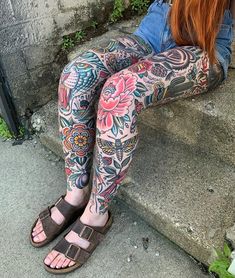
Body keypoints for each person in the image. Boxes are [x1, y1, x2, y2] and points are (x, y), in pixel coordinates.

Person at [29, 0, 234, 274]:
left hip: (203, 46)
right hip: (151, 33)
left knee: (120, 92)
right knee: (75, 76)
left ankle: (96, 214)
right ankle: (76, 193)